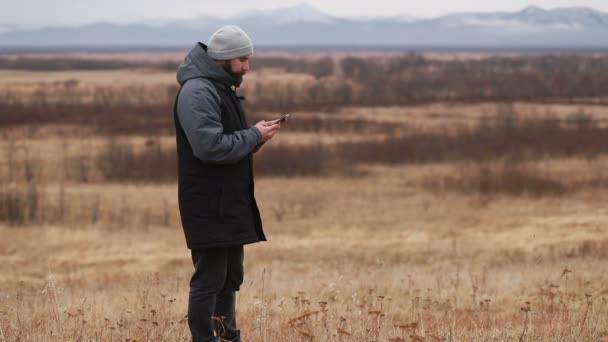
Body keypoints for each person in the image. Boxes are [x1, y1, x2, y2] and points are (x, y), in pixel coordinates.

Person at [174, 25, 280, 342]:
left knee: (229, 277)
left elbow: (227, 143)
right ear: (224, 59)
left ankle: (227, 337)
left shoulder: (219, 88)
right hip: (209, 203)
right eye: (243, 59)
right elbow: (211, 148)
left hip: (227, 202)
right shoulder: (198, 92)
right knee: (209, 279)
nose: (248, 66)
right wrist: (253, 135)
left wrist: (257, 137)